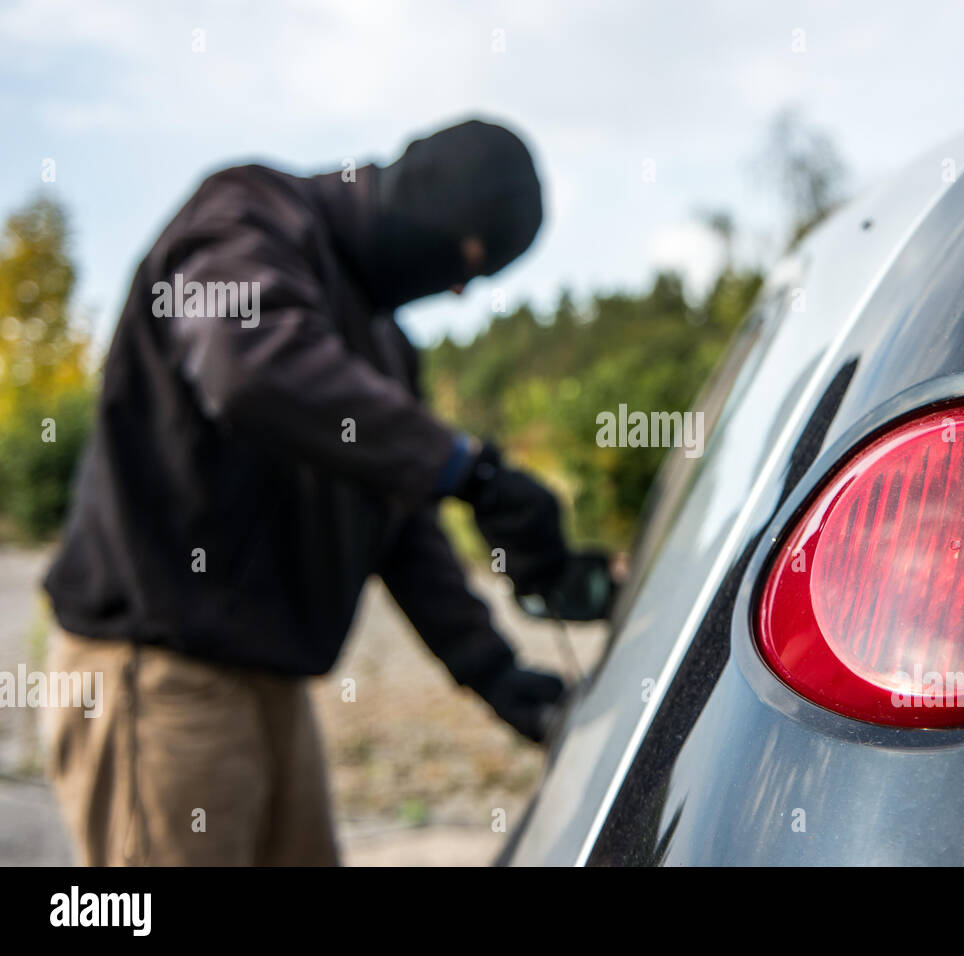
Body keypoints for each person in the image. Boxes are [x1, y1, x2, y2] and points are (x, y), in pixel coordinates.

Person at [42, 118, 600, 866]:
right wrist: (468, 469)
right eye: (469, 261)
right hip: (159, 674)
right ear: (430, 205)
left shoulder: (385, 347)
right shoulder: (246, 217)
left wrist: (497, 675)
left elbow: (402, 531)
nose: (460, 289)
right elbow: (246, 367)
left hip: (274, 684)